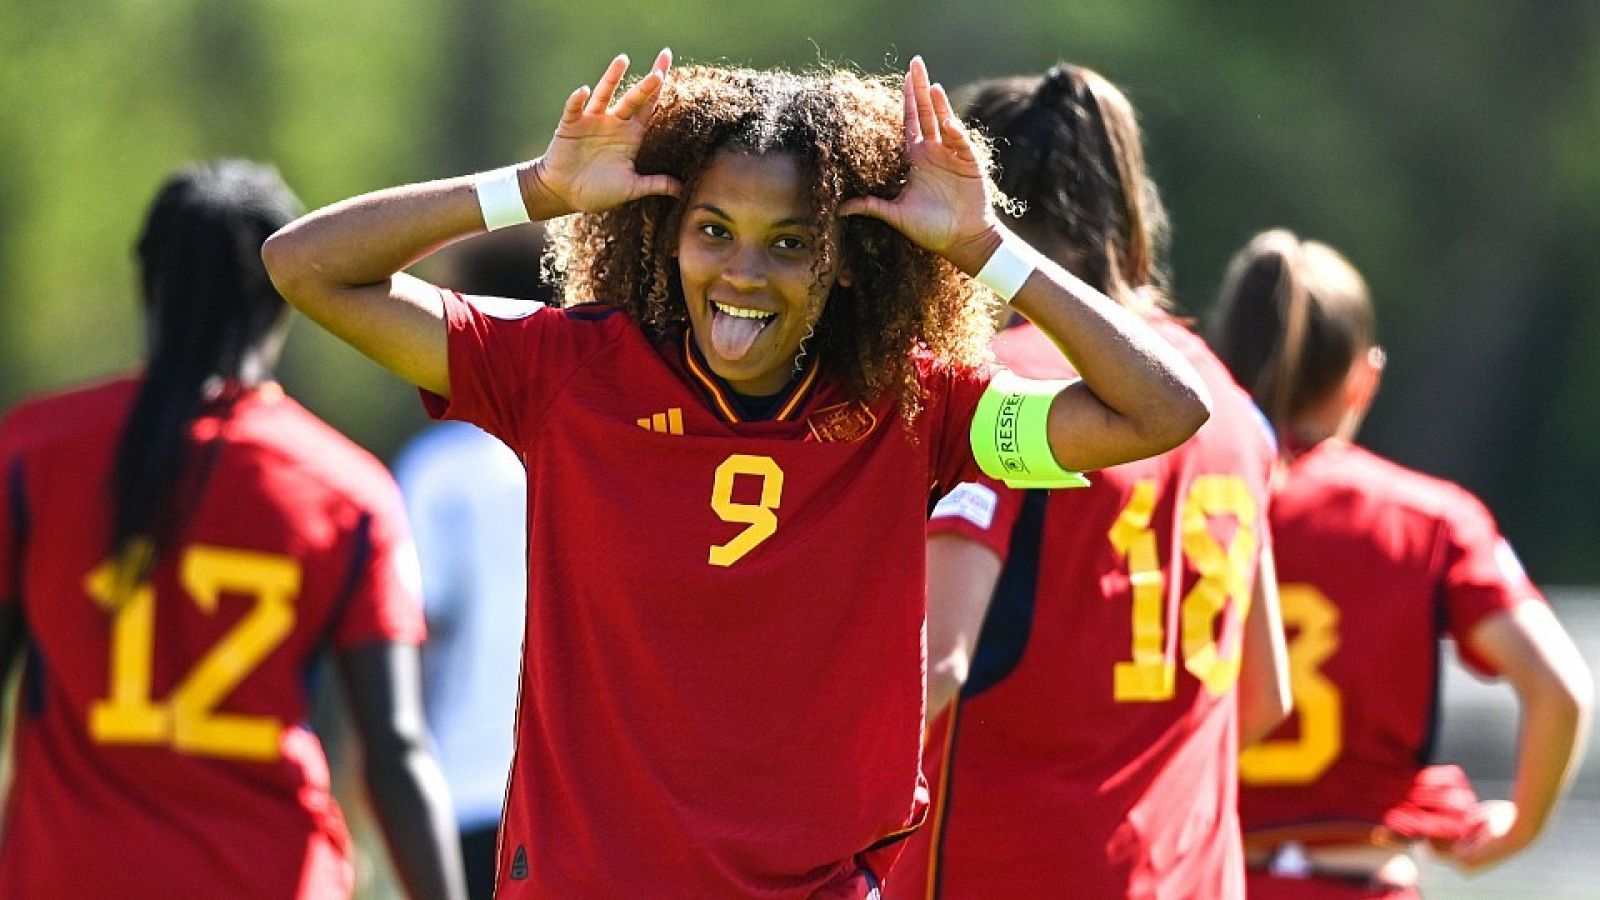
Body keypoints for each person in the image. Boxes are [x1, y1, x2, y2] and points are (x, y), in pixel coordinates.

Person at [261, 50, 1213, 897]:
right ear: (666, 235)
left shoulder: (917, 406)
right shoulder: (564, 370)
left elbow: (1162, 409)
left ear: (846, 264)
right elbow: (307, 267)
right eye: (712, 229)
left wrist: (980, 246)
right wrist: (539, 189)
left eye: (791, 242)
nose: (743, 271)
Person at [0, 161, 466, 900]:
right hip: (271, 874)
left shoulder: (33, 452)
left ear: (147, 283)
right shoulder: (346, 490)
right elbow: (395, 750)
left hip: (69, 874)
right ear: (282, 302)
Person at [887, 64, 1291, 899]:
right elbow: (1265, 696)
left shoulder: (999, 388)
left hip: (1011, 871)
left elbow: (934, 667)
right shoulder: (1228, 404)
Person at [1210, 230, 1593, 898]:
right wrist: (1517, 831)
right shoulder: (1429, 518)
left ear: (1223, 359)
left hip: (1212, 876)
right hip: (1361, 880)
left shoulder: (1179, 500)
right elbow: (1558, 688)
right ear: (1364, 378)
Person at [394, 225, 550, 900]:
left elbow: (414, 640)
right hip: (577, 797)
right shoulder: (603, 455)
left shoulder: (442, 471)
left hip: (462, 784)